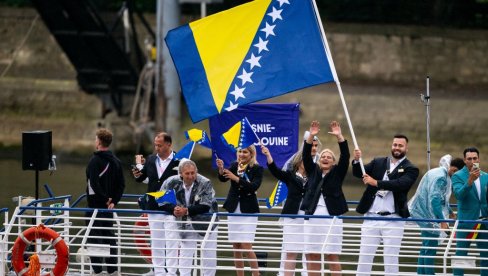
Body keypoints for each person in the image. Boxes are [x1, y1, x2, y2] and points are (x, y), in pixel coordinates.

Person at [352, 134, 419, 276]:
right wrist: (357, 161)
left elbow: (401, 184)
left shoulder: (411, 168)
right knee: (364, 257)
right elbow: (359, 173)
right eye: (395, 144)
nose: (397, 148)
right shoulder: (378, 162)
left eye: (400, 145)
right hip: (371, 217)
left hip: (394, 219)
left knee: (390, 259)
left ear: (406, 148)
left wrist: (376, 183)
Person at [299, 120, 350, 276]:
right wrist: (312, 136)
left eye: (329, 157)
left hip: (332, 218)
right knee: (312, 254)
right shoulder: (313, 170)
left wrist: (339, 136)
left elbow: (346, 156)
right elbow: (306, 155)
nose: (326, 158)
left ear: (333, 162)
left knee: (332, 255)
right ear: (319, 160)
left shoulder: (337, 173)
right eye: (323, 157)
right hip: (312, 217)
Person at [159, 159, 217, 276]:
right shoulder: (171, 182)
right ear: (180, 174)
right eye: (187, 173)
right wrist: (173, 210)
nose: (191, 176)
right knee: (186, 253)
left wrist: (186, 211)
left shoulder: (205, 182)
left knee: (208, 254)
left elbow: (206, 206)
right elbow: (161, 200)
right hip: (185, 222)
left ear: (196, 172)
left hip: (207, 222)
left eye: (193, 173)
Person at [408, 155, 465, 275]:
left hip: (422, 213)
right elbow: (435, 200)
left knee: (426, 246)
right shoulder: (441, 178)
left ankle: (421, 273)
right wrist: (442, 221)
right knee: (431, 247)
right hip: (428, 215)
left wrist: (450, 212)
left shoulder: (439, 172)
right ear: (454, 170)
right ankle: (429, 273)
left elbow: (442, 198)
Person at [133, 132, 180, 276]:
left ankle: (171, 273)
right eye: (155, 145)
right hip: (153, 206)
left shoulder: (180, 160)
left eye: (159, 145)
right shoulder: (151, 159)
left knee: (172, 242)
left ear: (168, 144)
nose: (157, 147)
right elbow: (143, 178)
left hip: (171, 206)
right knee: (156, 241)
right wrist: (137, 175)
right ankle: (159, 272)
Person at [261, 144, 309, 276]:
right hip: (292, 216)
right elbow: (275, 171)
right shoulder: (290, 175)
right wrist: (268, 155)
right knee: (291, 250)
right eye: (304, 159)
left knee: (309, 250)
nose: (307, 162)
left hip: (308, 216)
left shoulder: (313, 176)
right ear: (298, 162)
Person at [216, 145, 263, 276]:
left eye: (245, 152)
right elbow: (223, 178)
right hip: (233, 208)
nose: (241, 154)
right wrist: (221, 169)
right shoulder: (234, 165)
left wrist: (236, 178)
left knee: (246, 246)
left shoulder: (257, 169)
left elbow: (254, 186)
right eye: (240, 151)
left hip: (248, 210)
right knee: (236, 245)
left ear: (252, 154)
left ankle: (256, 274)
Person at [85, 128, 125, 276]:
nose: (95, 142)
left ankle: (96, 271)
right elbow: (121, 185)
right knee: (109, 237)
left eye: (96, 139)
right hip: (109, 208)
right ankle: (112, 270)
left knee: (94, 237)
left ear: (99, 142)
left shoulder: (95, 161)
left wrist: (104, 199)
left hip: (95, 207)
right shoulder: (116, 161)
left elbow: (94, 184)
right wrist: (113, 201)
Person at [452, 147, 488, 276]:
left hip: (484, 223)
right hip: (466, 222)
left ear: (478, 159)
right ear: (464, 160)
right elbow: (458, 195)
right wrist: (470, 180)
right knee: (460, 257)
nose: (472, 161)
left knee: (486, 257)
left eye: (475, 158)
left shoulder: (486, 176)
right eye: (469, 159)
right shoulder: (457, 175)